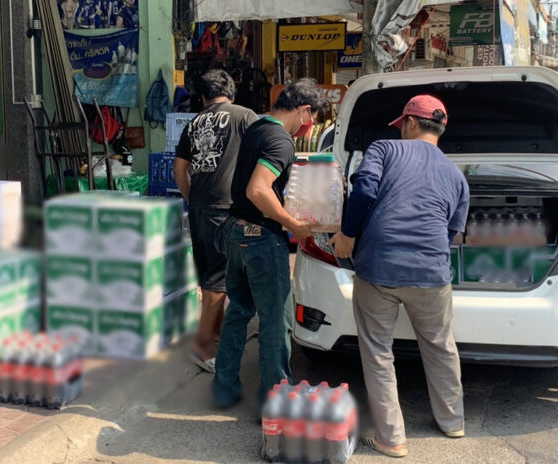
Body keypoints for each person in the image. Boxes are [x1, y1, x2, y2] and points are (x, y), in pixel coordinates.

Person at [328, 95, 469, 458]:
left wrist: (347, 234)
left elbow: (363, 190)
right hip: (432, 274)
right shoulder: (456, 175)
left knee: (377, 352)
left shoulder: (385, 148)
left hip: (379, 268)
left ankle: (392, 439)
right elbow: (454, 231)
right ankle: (452, 422)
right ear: (440, 129)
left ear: (408, 122)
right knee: (440, 346)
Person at [212, 78, 328, 408]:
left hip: (237, 232)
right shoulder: (281, 140)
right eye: (314, 117)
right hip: (262, 237)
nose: (313, 125)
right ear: (305, 111)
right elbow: (258, 189)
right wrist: (293, 224)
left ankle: (224, 389)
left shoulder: (258, 128)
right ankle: (275, 404)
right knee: (277, 321)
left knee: (239, 311)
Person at [174, 70, 258, 373]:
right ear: (231, 93)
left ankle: (217, 335)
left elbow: (179, 167)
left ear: (204, 97)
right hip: (225, 208)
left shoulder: (194, 122)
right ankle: (202, 346)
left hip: (199, 208)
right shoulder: (244, 116)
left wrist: (192, 196)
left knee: (213, 276)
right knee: (217, 282)